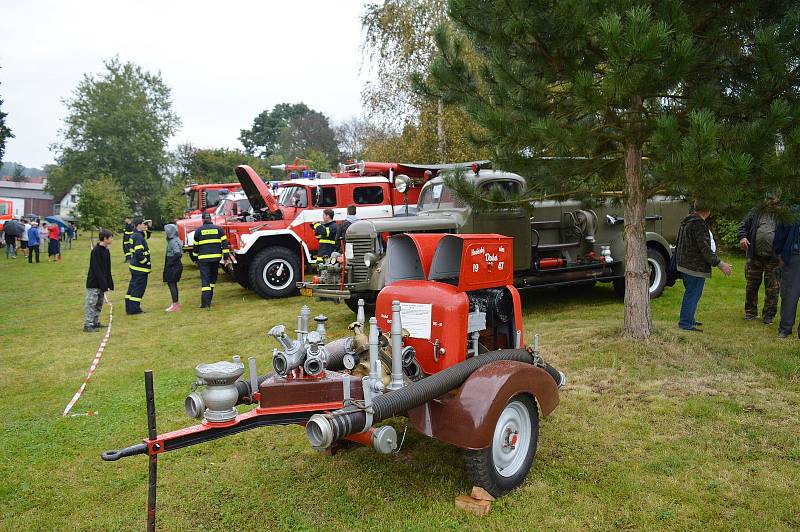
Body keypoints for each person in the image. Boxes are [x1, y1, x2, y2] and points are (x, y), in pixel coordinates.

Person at [676, 201, 732, 331]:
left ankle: (690, 319)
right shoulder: (698, 224)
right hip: (694, 267)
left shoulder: (688, 221)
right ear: (708, 210)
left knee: (693, 293)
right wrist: (720, 264)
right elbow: (705, 249)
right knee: (693, 294)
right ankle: (685, 323)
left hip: (685, 264)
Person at [737, 193, 781, 324]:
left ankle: (768, 316)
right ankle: (750, 313)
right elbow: (742, 226)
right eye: (768, 198)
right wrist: (743, 237)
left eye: (772, 198)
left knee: (772, 288)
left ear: (778, 199)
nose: (769, 201)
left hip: (773, 258)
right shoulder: (756, 211)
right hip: (754, 256)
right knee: (751, 286)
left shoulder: (782, 214)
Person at [191, 212, 229, 308]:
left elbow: (195, 247)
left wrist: (195, 259)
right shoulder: (219, 229)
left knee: (205, 281)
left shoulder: (198, 231)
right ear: (210, 219)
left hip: (203, 260)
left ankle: (205, 303)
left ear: (203, 220)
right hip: (216, 259)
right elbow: (225, 244)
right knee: (212, 279)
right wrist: (225, 258)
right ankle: (209, 298)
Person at [773, 211, 800, 339]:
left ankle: (785, 329)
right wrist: (780, 255)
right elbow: (779, 236)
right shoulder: (791, 213)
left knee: (790, 294)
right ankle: (785, 328)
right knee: (790, 295)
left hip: (793, 256)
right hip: (794, 257)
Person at [84, 229, 114, 332]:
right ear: (105, 238)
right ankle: (88, 324)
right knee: (91, 303)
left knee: (99, 303)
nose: (112, 239)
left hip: (102, 282)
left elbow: (107, 268)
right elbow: (96, 268)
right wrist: (102, 283)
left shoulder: (106, 250)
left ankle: (95, 322)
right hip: (94, 282)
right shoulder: (96, 251)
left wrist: (109, 282)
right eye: (110, 237)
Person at [125, 217, 151, 315]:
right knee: (138, 288)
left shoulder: (135, 235)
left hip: (135, 267)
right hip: (140, 268)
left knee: (132, 287)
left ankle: (129, 307)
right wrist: (146, 262)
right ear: (138, 225)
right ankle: (134, 309)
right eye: (144, 224)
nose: (146, 226)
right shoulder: (138, 237)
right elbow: (139, 253)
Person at [163, 223, 184, 312]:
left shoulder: (174, 241)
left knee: (172, 284)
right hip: (173, 265)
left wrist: (170, 263)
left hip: (174, 266)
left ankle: (175, 304)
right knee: (172, 284)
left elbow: (177, 253)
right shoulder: (174, 240)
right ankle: (175, 303)